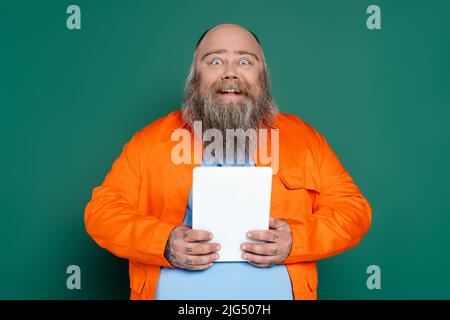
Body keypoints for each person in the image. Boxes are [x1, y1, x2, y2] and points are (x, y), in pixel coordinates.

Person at [84, 23, 372, 300]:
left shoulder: (305, 139)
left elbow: (353, 211)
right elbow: (102, 213)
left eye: (245, 62)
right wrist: (163, 242)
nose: (231, 73)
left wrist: (297, 240)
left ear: (264, 77)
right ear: (194, 76)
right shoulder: (150, 141)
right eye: (215, 61)